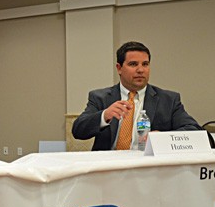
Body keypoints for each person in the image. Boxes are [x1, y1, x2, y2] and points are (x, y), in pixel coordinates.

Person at [72, 41, 200, 151]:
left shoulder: (168, 100)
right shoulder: (100, 97)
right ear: (119, 68)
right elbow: (78, 131)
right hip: (108, 168)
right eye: (133, 64)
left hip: (149, 169)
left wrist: (162, 138)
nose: (140, 70)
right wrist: (104, 116)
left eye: (145, 64)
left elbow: (194, 131)